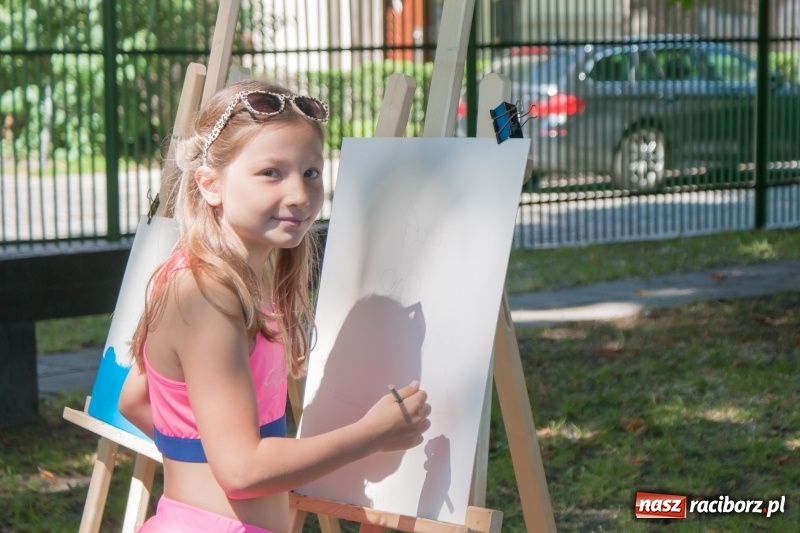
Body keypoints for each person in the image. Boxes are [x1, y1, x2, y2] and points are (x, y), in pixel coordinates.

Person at [118, 77, 431, 533]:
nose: (300, 196)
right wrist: (371, 434)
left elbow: (135, 399)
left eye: (311, 172)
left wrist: (206, 457)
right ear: (209, 184)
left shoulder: (223, 280)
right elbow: (243, 470)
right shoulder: (210, 298)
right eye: (272, 172)